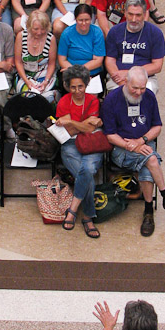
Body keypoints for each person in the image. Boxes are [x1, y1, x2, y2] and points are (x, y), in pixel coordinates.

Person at [103, 66, 165, 235]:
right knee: (152, 160)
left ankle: (148, 211)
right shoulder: (112, 100)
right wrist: (130, 145)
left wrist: (141, 141)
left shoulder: (149, 96)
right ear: (125, 82)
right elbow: (110, 135)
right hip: (122, 148)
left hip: (144, 144)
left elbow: (157, 126)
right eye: (134, 88)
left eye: (142, 88)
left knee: (148, 164)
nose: (139, 92)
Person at [57, 64, 103, 237]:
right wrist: (84, 124)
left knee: (87, 170)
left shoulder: (93, 100)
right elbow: (70, 132)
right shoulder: (63, 102)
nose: (77, 91)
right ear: (68, 86)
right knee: (88, 175)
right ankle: (88, 218)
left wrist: (71, 122)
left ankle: (73, 209)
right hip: (69, 144)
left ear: (87, 84)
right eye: (73, 87)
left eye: (81, 86)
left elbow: (89, 131)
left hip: (92, 143)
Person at [105, 0, 165, 93]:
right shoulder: (114, 31)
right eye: (130, 14)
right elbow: (110, 60)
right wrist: (120, 79)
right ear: (125, 13)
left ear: (145, 14)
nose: (134, 19)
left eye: (138, 15)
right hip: (118, 77)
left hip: (145, 78)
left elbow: (157, 66)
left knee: (147, 94)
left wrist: (128, 74)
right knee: (117, 96)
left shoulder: (155, 33)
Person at [14, 9, 56, 100]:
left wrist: (46, 81)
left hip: (44, 74)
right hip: (25, 74)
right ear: (29, 26)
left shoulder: (51, 38)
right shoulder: (21, 36)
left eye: (42, 29)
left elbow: (52, 63)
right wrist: (27, 81)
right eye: (36, 29)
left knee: (47, 97)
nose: (39, 32)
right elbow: (18, 62)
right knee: (26, 95)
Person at [57, 3, 105, 78]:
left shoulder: (97, 32)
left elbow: (98, 61)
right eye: (80, 20)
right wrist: (75, 72)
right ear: (75, 19)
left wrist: (79, 71)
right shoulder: (67, 33)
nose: (84, 23)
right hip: (71, 71)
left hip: (92, 72)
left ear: (91, 19)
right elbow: (62, 60)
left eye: (87, 20)